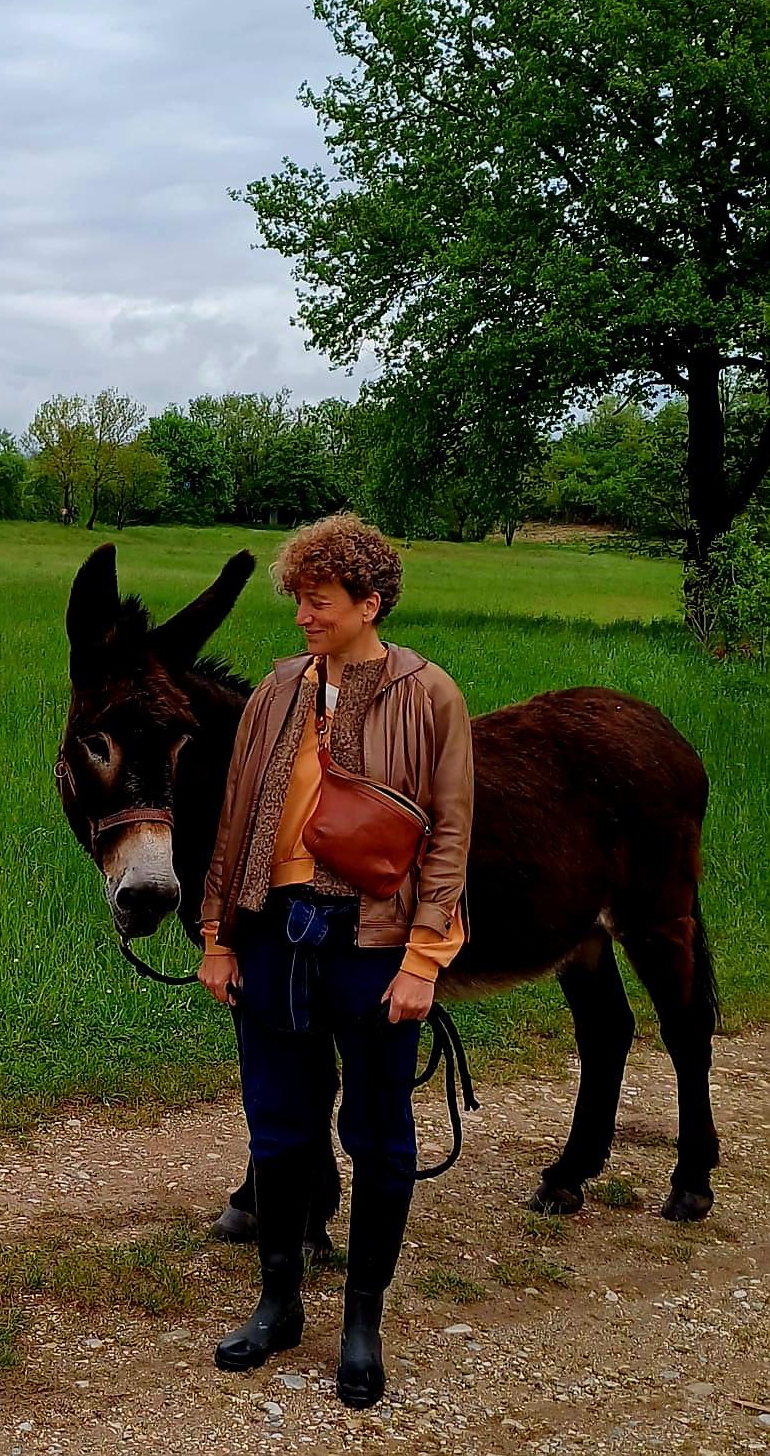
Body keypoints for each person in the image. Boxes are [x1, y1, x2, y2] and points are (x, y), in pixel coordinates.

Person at [198, 513, 473, 1409]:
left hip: (376, 943)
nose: (303, 616)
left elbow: (449, 837)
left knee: (379, 1135)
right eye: (299, 600)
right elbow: (236, 818)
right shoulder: (275, 693)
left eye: (319, 601)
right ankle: (278, 1303)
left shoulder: (430, 696)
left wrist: (425, 959)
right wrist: (218, 935)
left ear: (370, 602)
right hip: (273, 934)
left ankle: (362, 1322)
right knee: (278, 1128)